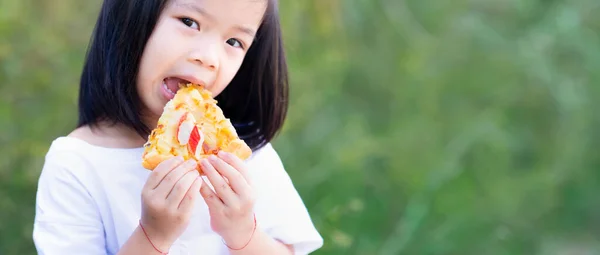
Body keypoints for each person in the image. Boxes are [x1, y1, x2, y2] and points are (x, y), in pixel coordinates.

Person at [32, 0, 323, 254]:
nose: (208, 58)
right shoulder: (76, 163)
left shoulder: (246, 153)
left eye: (234, 42)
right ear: (131, 17)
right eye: (189, 22)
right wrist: (153, 236)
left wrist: (243, 233)